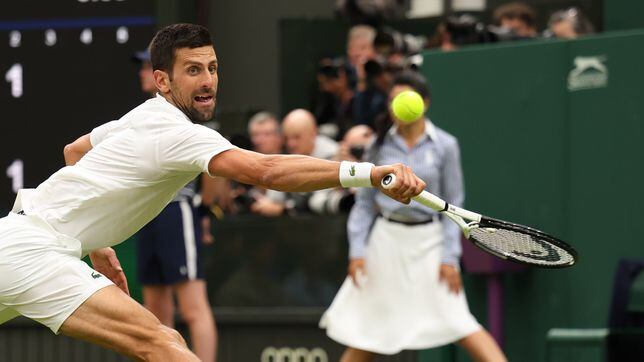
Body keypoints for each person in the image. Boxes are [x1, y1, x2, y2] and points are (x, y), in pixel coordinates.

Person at [0, 23, 425, 360]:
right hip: (37, 253)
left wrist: (95, 244)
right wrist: (370, 173)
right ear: (163, 81)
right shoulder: (177, 134)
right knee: (165, 345)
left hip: (12, 238)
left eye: (213, 68)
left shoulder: (142, 115)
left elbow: (74, 151)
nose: (208, 81)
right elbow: (268, 170)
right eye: (193, 70)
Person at [320, 71, 507, 362]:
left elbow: (453, 203)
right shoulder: (379, 145)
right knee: (369, 332)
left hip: (430, 243)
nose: (397, 105)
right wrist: (357, 251)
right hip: (386, 244)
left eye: (404, 99)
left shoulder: (445, 145)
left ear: (425, 103)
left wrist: (449, 256)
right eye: (392, 100)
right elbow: (364, 205)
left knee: (460, 321)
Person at [132, 49, 218, 361]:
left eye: (147, 67)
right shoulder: (143, 117)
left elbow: (217, 169)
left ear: (164, 79)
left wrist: (205, 211)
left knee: (193, 307)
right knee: (154, 310)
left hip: (176, 212)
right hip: (146, 213)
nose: (143, 73)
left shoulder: (192, 118)